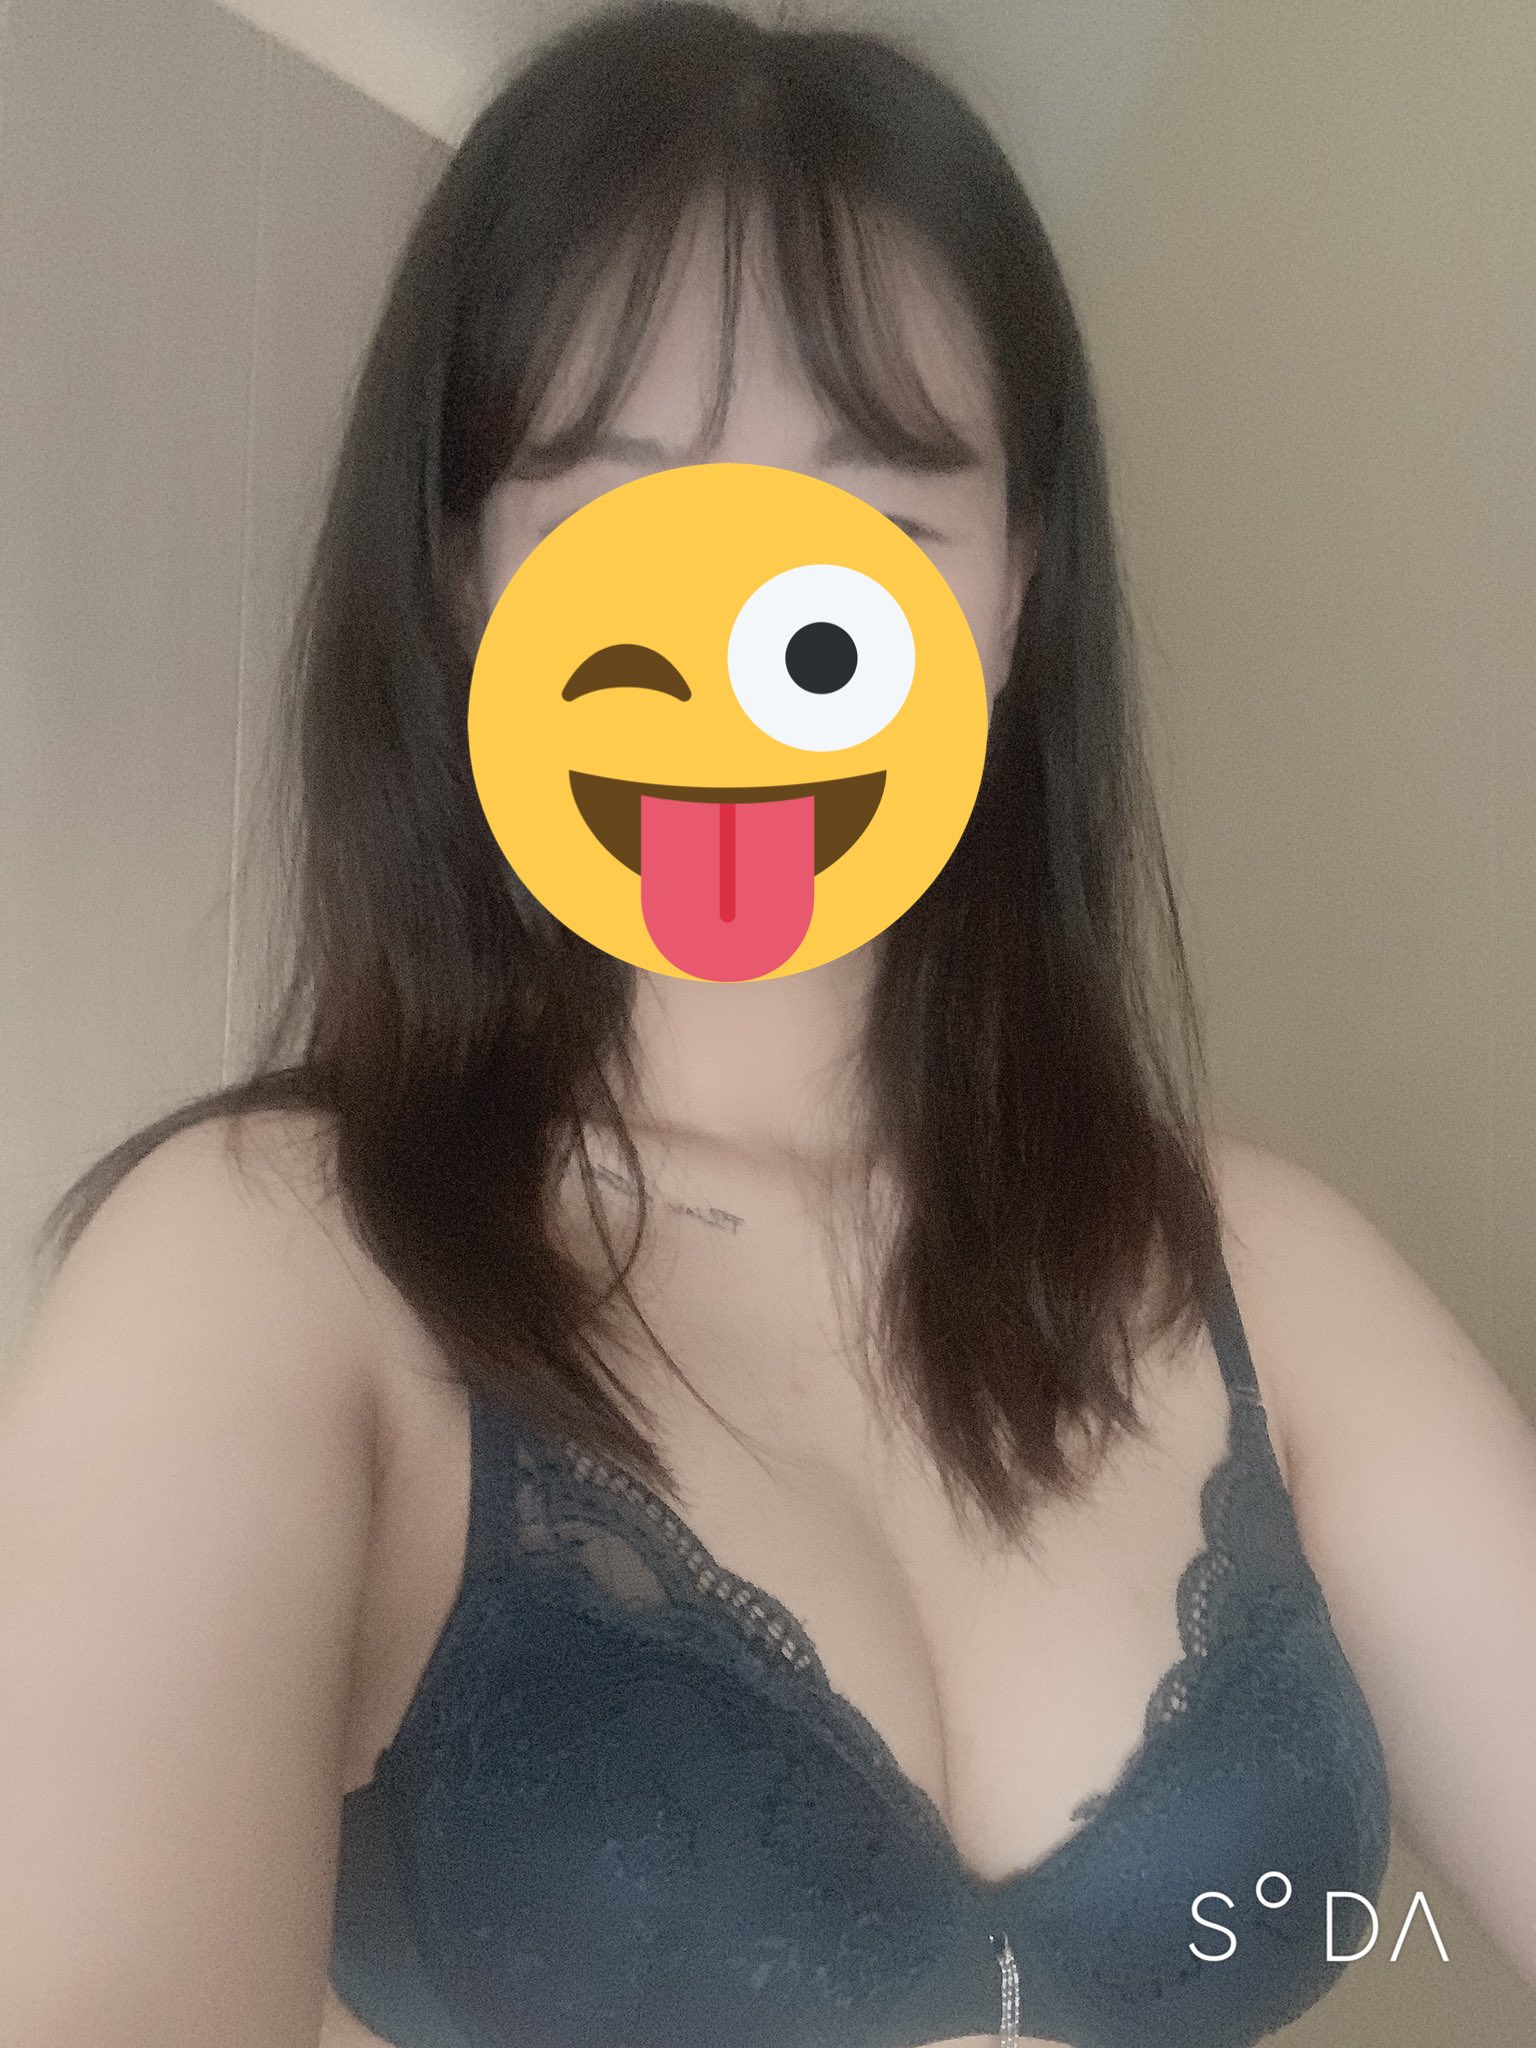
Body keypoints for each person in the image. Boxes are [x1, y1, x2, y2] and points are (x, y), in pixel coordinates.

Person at [3, 3, 1533, 2045]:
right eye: (617, 530)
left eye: (867, 538)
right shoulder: (260, 1267)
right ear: (464, 589)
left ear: (1015, 592)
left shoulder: (1276, 1269)